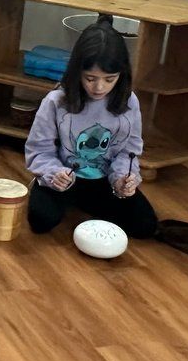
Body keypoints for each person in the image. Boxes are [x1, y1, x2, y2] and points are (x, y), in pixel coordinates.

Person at [24, 21, 158, 238]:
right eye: (90, 78)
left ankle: (91, 204)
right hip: (62, 180)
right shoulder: (56, 101)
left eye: (109, 79)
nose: (99, 87)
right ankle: (67, 198)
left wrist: (124, 179)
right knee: (41, 221)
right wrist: (53, 174)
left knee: (146, 227)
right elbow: (39, 150)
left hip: (104, 182)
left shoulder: (129, 101)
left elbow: (130, 152)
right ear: (78, 72)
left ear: (121, 75)